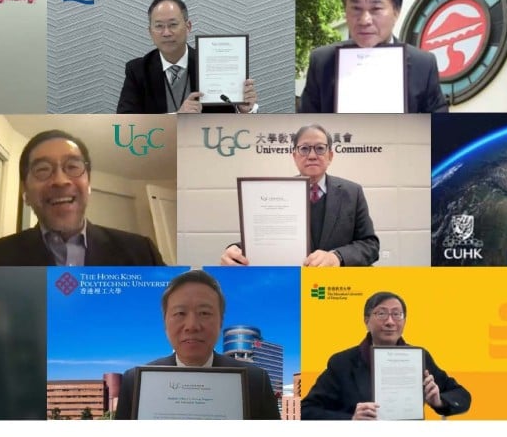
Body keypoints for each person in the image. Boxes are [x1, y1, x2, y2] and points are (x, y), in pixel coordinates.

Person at [0, 130, 165, 266]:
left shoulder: (142, 253)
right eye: (43, 170)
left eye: (73, 167)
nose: (60, 181)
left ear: (88, 183)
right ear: (25, 191)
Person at [115, 270, 280, 420]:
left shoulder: (256, 381)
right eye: (180, 313)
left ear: (221, 322)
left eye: (204, 313)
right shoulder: (135, 381)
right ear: (165, 322)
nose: (192, 326)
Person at [221, 124, 379, 266]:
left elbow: (370, 245)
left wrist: (337, 257)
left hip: (338, 284)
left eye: (320, 148)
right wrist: (235, 251)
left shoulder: (352, 192)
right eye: (304, 149)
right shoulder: (276, 194)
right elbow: (263, 237)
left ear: (330, 156)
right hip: (293, 280)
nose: (312, 155)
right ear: (294, 156)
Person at [298, 0, 448, 113]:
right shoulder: (322, 61)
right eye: (356, 8)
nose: (365, 20)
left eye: (376, 9)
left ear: (396, 12)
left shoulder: (423, 64)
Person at [302, 292, 471, 420]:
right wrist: (351, 419)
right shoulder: (342, 363)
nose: (390, 322)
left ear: (404, 321)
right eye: (381, 314)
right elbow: (306, 410)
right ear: (366, 321)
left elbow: (462, 395)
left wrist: (439, 401)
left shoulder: (419, 357)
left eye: (397, 314)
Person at [117, 0, 258, 114]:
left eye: (173, 24)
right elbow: (126, 123)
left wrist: (243, 109)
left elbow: (229, 122)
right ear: (150, 32)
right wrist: (177, 117)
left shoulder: (212, 64)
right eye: (159, 26)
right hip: (159, 139)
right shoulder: (137, 70)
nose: (166, 33)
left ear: (188, 26)